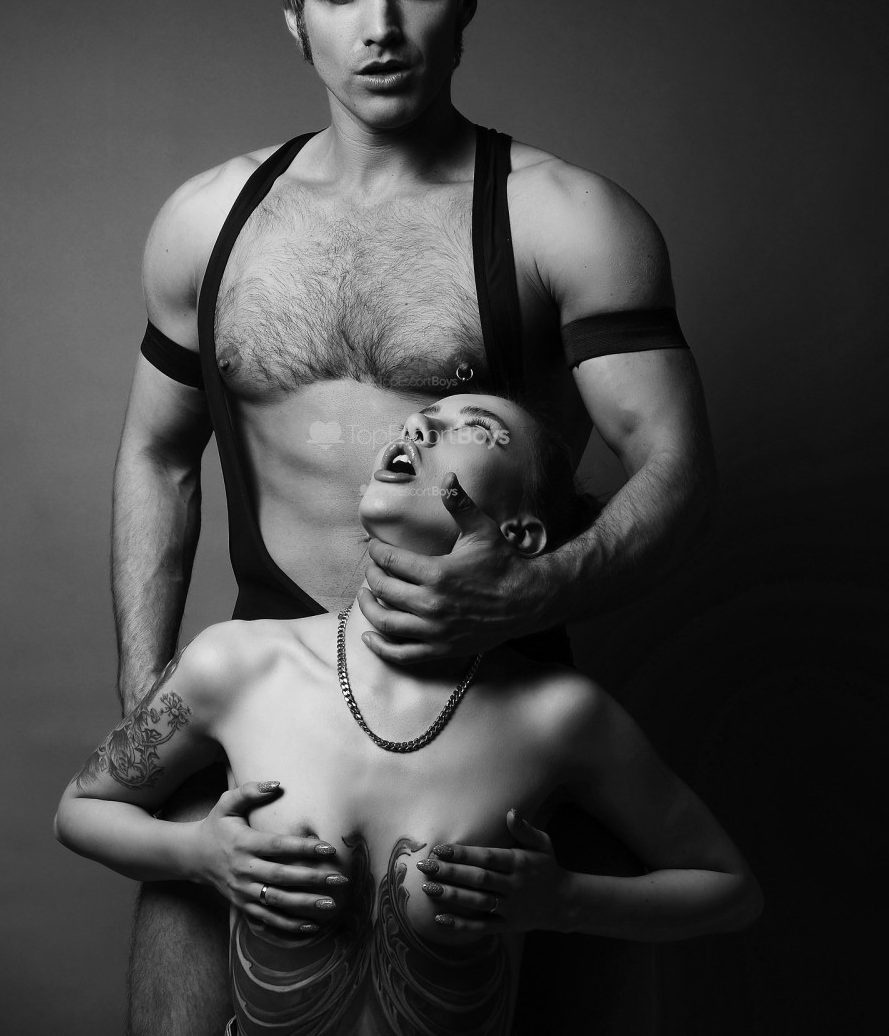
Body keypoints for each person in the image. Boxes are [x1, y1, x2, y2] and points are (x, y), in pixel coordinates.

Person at [113, 0, 717, 1034]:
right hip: (272, 730)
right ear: (297, 16)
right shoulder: (207, 221)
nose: (380, 27)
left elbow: (676, 468)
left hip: (495, 732)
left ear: (466, 0)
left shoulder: (565, 220)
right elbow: (158, 454)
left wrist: (534, 589)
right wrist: (152, 708)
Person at [62, 395, 758, 1036]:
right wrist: (200, 855)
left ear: (520, 533)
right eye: (420, 419)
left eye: (475, 429)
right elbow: (81, 810)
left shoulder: (558, 715)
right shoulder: (237, 664)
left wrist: (566, 900)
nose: (418, 426)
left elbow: (730, 890)